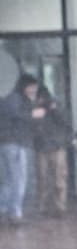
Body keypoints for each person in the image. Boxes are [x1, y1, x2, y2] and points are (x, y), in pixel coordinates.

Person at [0, 75, 46, 224]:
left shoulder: (12, 98)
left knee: (9, 179)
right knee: (19, 178)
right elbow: (16, 116)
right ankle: (15, 212)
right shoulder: (15, 98)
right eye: (32, 86)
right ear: (25, 86)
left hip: (8, 143)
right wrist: (33, 114)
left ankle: (4, 208)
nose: (34, 90)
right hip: (15, 143)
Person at [32, 84, 74, 217]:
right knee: (44, 179)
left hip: (55, 147)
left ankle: (59, 207)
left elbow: (66, 122)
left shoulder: (56, 105)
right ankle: (44, 207)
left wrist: (53, 108)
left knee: (57, 179)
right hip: (44, 147)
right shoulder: (35, 109)